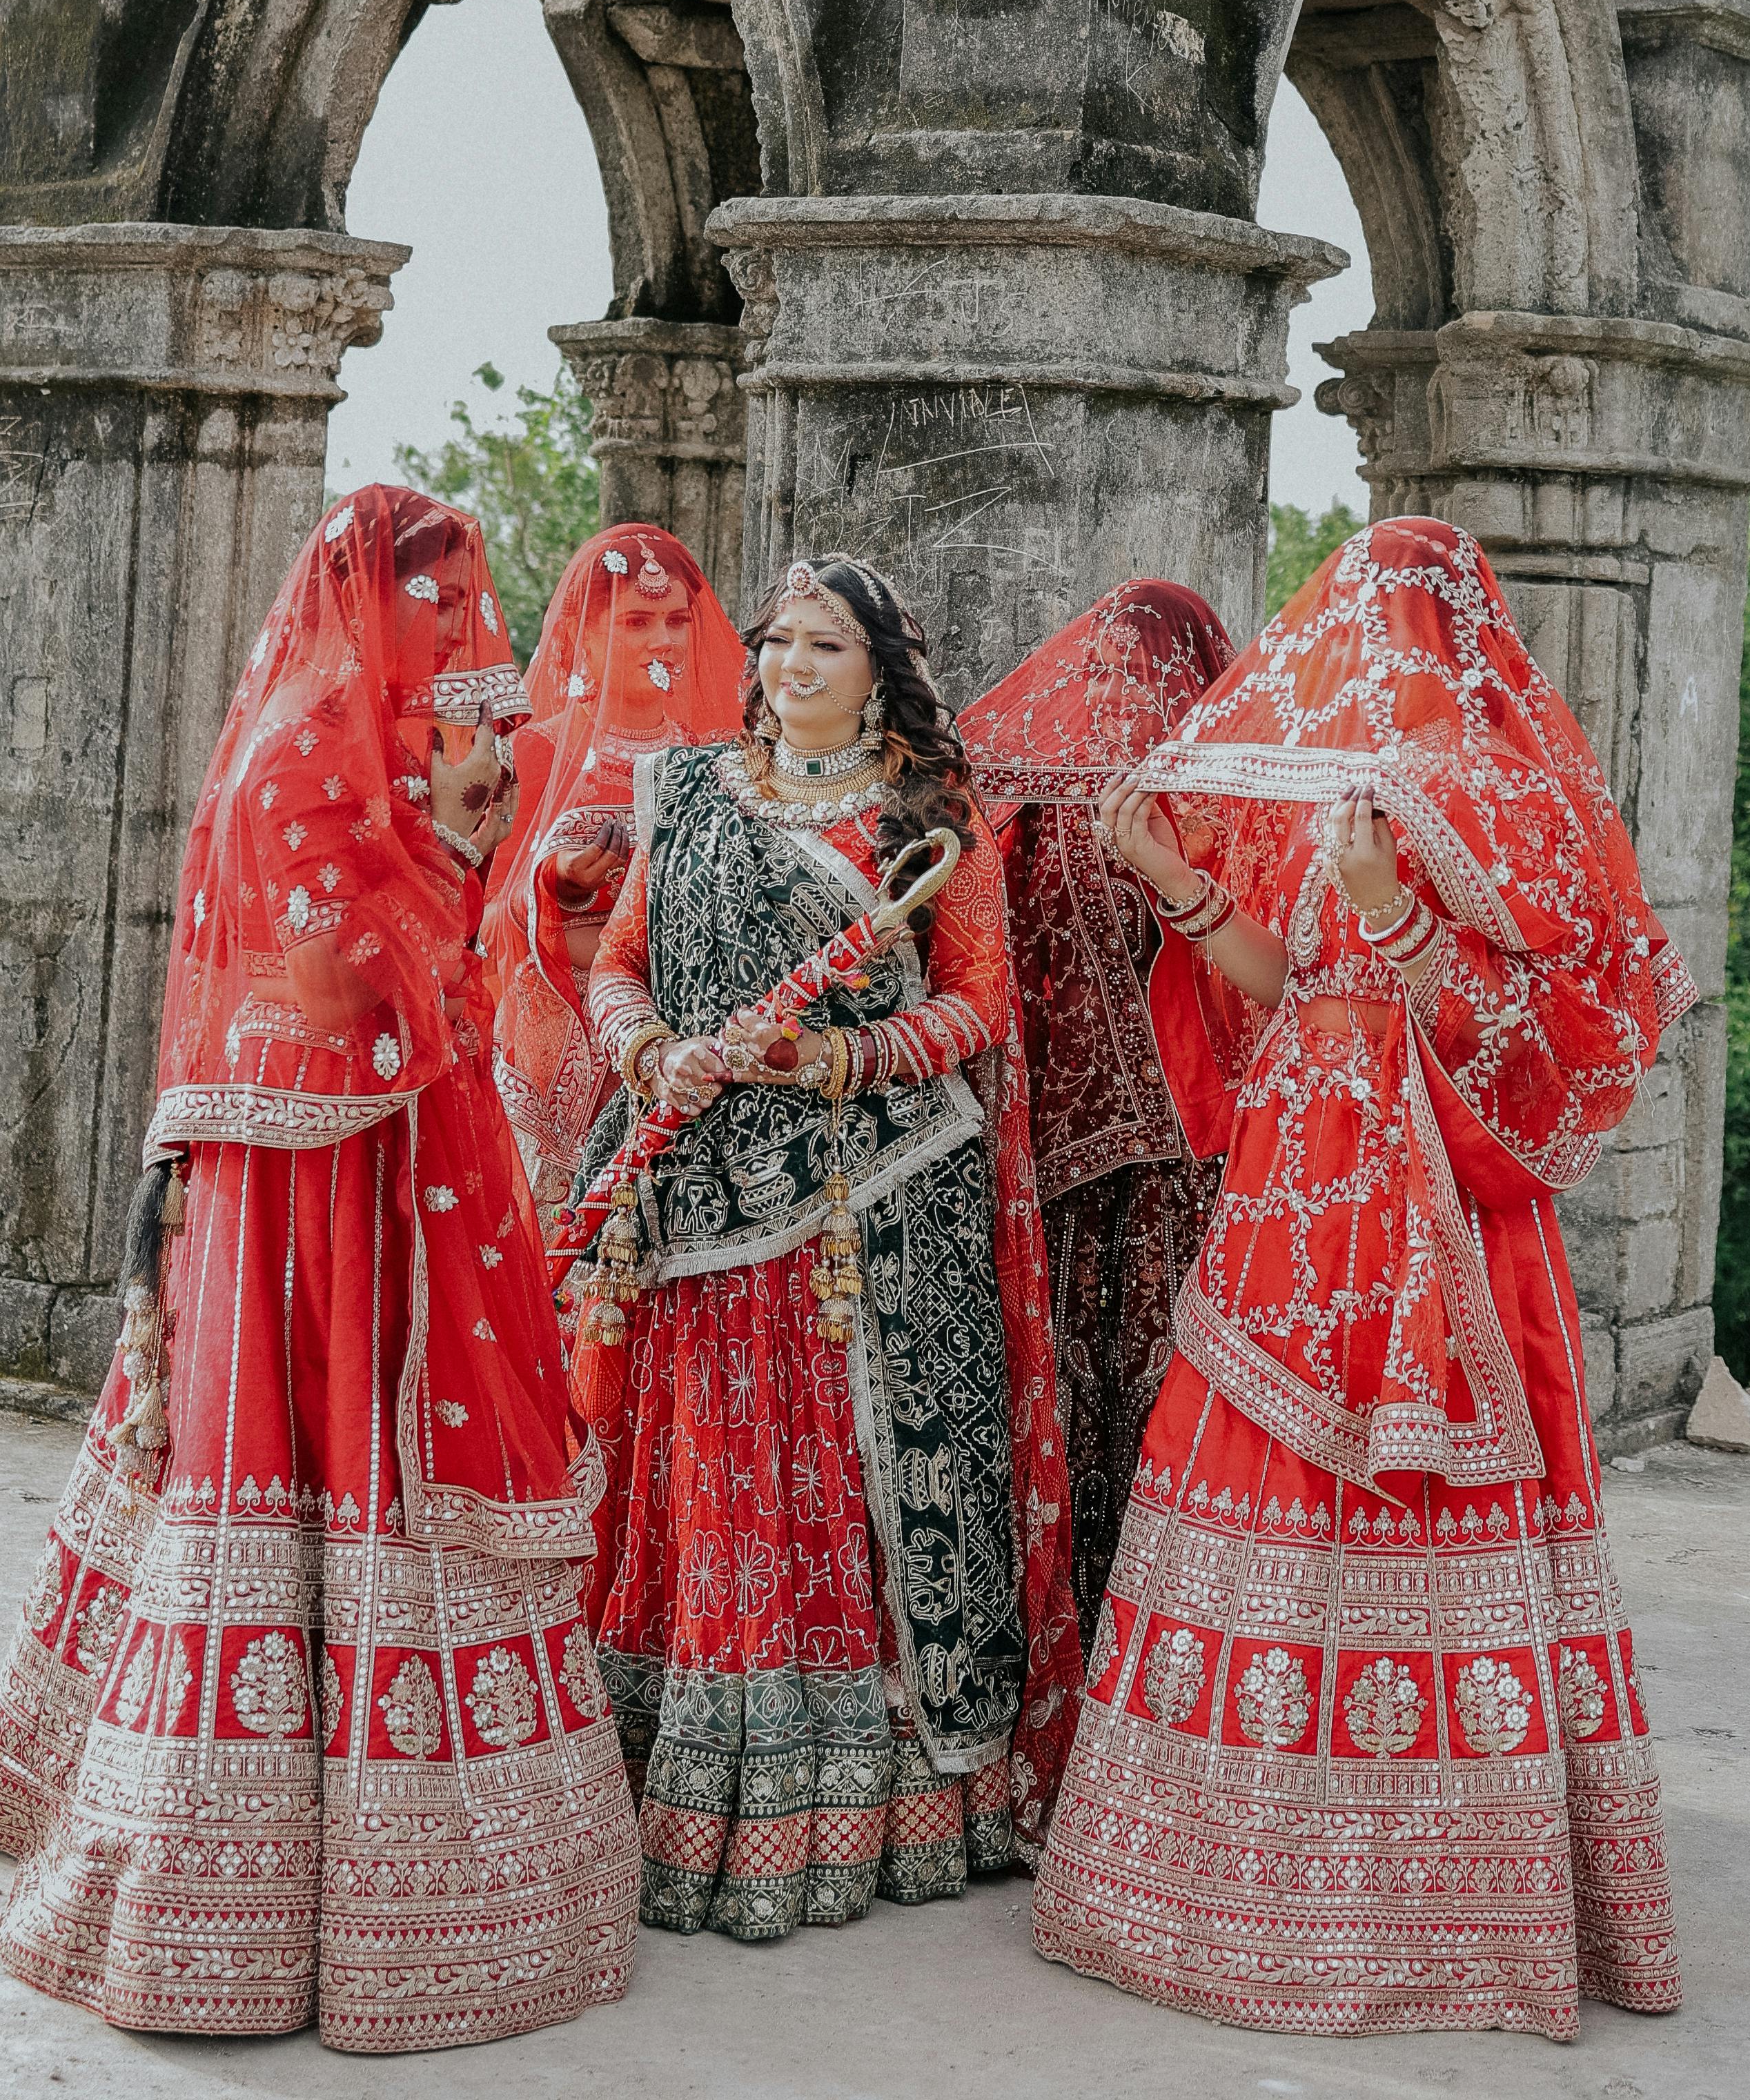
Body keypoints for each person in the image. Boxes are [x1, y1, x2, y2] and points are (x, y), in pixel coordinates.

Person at [0, 484, 639, 2053]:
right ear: (372, 601)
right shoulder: (299, 757)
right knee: (321, 1457)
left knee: (390, 1476)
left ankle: (425, 1886)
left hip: (399, 1158)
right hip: (316, 1177)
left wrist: (466, 844)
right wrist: (461, 846)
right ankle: (229, 1892)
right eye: (447, 604)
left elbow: (436, 938)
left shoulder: (383, 747)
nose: (479, 639)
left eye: (478, 602)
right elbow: (342, 966)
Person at [1030, 516, 1687, 2039]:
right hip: (1287, 1198)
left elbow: (1570, 1029)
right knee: (1250, 1496)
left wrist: (1401, 911)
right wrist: (1166, 881)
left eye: (1405, 620)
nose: (1375, 647)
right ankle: (1210, 1892)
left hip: (1437, 1212)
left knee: (1415, 1520)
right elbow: (1286, 986)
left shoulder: (1507, 798)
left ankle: (1432, 1915)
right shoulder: (1326, 781)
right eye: (1357, 614)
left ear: (1457, 635)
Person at [571, 553, 1082, 1942]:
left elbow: (979, 1008)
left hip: (874, 1199)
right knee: (711, 1469)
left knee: (852, 1483)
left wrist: (831, 1057)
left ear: (879, 674)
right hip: (695, 1190)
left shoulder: (927, 818)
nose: (785, 667)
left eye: (820, 648)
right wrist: (651, 1049)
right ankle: (684, 1787)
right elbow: (614, 966)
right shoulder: (684, 796)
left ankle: (858, 1812)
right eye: (776, 643)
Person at [961, 581, 1255, 1623]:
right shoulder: (1024, 812)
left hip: (1197, 1176)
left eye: (1150, 675)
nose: (1126, 698)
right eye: (1108, 673)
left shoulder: (1236, 813)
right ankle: (1074, 1642)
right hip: (1066, 1182)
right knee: (1072, 1404)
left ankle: (1167, 1647)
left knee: (1172, 1406)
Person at [488, 522, 748, 1217]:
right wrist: (554, 889)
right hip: (554, 1053)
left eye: (676, 621)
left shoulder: (716, 766)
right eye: (636, 620)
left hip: (675, 1042)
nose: (662, 640)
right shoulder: (531, 756)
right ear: (578, 639)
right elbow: (472, 924)